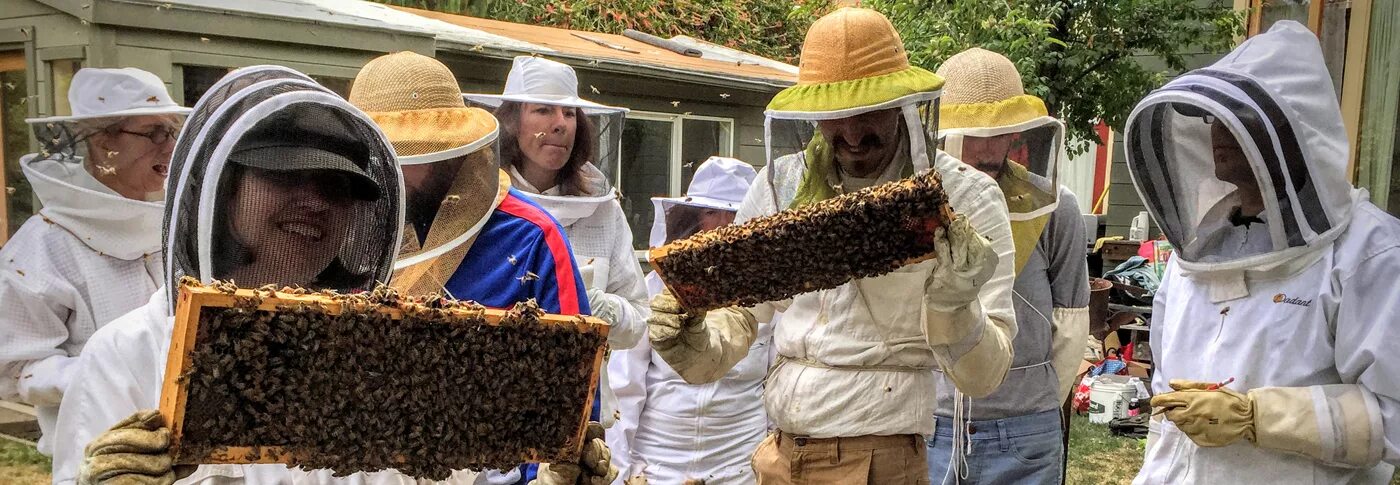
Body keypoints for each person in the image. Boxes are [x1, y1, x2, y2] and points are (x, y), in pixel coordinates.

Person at [50, 66, 615, 485]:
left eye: (338, 188)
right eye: (284, 178)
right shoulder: (125, 356)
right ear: (223, 189)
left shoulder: (381, 348)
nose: (314, 203)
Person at [646, 8, 1018, 484]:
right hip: (778, 451)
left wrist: (955, 302)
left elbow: (984, 376)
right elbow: (742, 313)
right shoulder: (781, 182)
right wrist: (693, 339)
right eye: (835, 116)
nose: (853, 134)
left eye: (870, 112)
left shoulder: (968, 198)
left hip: (877, 459)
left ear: (905, 102)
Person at [1123, 21, 1400, 484]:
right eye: (1215, 117)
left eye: (1244, 118)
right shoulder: (1197, 250)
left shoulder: (1369, 253)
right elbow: (1165, 403)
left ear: (1299, 133)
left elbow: (1394, 412)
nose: (1221, 131)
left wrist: (1259, 417)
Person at [349, 51, 605, 485]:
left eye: (418, 151)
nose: (403, 167)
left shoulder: (532, 238)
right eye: (386, 153)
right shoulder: (340, 225)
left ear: (455, 148)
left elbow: (575, 403)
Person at [0, 67, 188, 455]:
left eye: (172, 130)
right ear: (104, 142)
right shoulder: (42, 249)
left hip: (190, 452)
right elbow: (17, 370)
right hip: (96, 452)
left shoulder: (176, 227)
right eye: (154, 132)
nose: (170, 146)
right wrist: (128, 375)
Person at [926, 48, 1090, 484]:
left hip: (1025, 433)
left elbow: (1071, 320)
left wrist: (1032, 407)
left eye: (999, 133)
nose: (986, 148)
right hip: (932, 426)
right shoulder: (917, 206)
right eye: (972, 134)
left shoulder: (1058, 208)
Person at [467, 56, 649, 427]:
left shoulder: (602, 209)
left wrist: (592, 303)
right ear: (513, 121)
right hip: (488, 409)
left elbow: (638, 322)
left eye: (568, 113)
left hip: (581, 415)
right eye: (543, 110)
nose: (559, 124)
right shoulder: (479, 200)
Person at [607, 156, 768, 485]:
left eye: (735, 213)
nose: (723, 223)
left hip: (740, 470)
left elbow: (778, 392)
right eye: (711, 212)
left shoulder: (773, 299)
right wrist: (618, 474)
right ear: (693, 219)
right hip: (656, 468)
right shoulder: (655, 290)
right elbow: (625, 390)